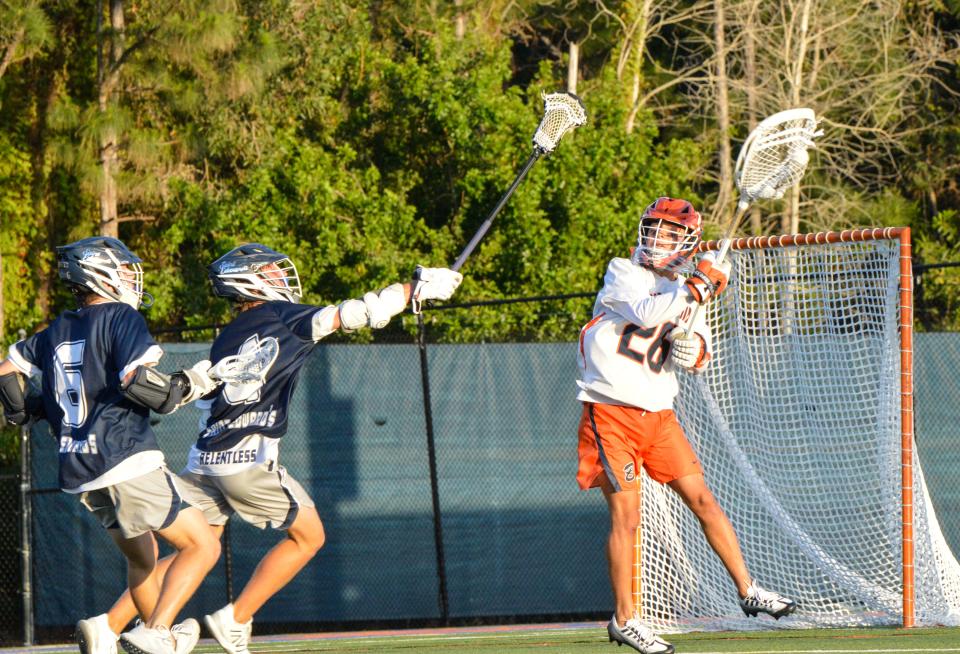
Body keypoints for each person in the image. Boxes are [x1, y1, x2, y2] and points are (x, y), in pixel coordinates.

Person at [81, 243, 463, 654]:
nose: (283, 278)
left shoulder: (229, 334)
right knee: (309, 537)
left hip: (207, 456)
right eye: (273, 272)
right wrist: (416, 289)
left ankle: (110, 623)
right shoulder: (287, 316)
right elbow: (356, 312)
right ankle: (235, 618)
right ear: (252, 280)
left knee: (197, 546)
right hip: (248, 459)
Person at [576, 198, 796, 654]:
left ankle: (748, 589)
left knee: (704, 500)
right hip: (611, 412)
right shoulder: (624, 271)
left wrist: (690, 349)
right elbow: (645, 312)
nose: (658, 239)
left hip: (659, 416)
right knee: (628, 518)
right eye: (653, 230)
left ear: (686, 242)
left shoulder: (692, 292)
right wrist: (697, 287)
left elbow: (699, 355)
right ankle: (625, 619)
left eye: (669, 234)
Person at [0, 237, 223, 654]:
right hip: (124, 456)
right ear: (99, 273)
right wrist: (189, 384)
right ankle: (157, 632)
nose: (129, 278)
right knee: (203, 544)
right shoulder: (120, 317)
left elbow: (6, 372)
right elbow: (139, 383)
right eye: (122, 269)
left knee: (143, 558)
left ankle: (147, 635)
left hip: (80, 471)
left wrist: (27, 410)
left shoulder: (57, 329)